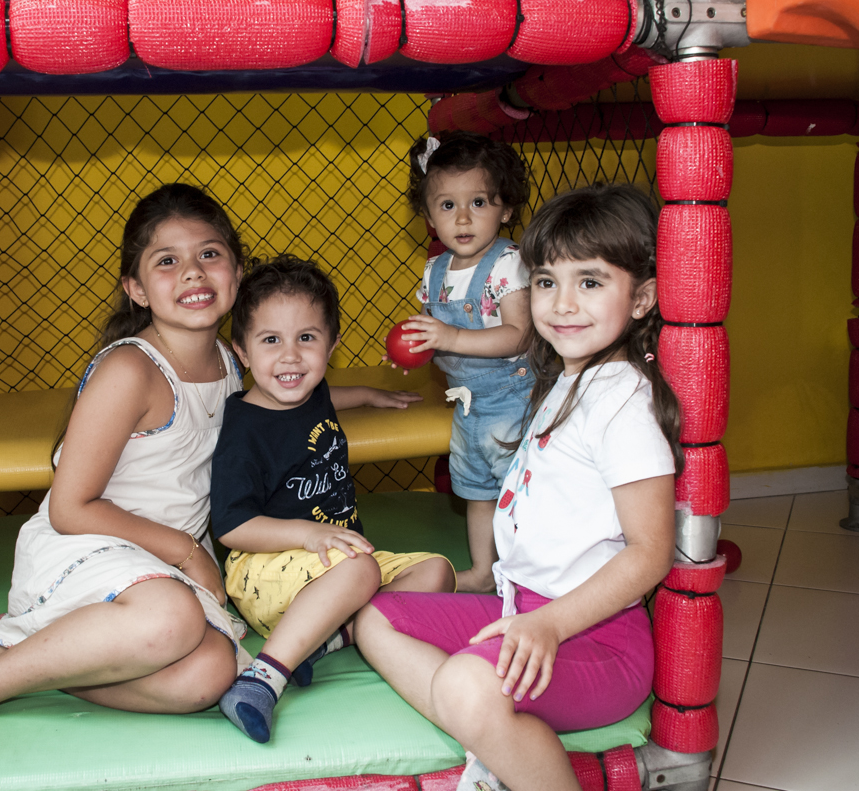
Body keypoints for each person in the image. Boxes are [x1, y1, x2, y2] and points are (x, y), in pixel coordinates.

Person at [0, 183, 252, 769]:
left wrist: (357, 397)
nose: (193, 273)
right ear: (136, 289)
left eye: (210, 254)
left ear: (237, 269)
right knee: (172, 619)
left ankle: (16, 662)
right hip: (89, 544)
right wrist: (187, 552)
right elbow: (71, 507)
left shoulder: (229, 359)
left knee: (208, 676)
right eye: (166, 261)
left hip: (157, 561)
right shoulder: (131, 369)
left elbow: (279, 402)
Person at [354, 184, 682, 790]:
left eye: (590, 282)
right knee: (375, 618)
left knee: (464, 682)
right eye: (547, 282)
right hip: (519, 609)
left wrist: (550, 626)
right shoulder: (568, 378)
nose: (562, 303)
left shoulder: (623, 405)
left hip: (597, 644)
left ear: (641, 299)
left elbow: (650, 552)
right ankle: (491, 739)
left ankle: (489, 728)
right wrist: (530, 622)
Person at [211, 255, 456, 744]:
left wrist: (367, 395)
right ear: (241, 351)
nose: (290, 357)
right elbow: (231, 526)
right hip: (265, 568)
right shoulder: (245, 431)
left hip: (335, 565)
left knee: (438, 573)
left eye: (307, 338)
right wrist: (309, 534)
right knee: (362, 570)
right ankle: (263, 678)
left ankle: (326, 640)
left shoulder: (312, 391)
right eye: (270, 340)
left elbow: (324, 396)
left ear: (332, 344)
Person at [396, 132, 535, 593]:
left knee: (521, 492)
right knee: (477, 491)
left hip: (513, 400)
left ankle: (528, 571)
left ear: (506, 209)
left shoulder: (507, 263)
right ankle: (482, 569)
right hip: (467, 404)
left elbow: (519, 334)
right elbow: (436, 333)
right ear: (428, 215)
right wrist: (419, 347)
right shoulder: (435, 271)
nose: (462, 218)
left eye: (478, 202)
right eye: (447, 205)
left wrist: (451, 337)